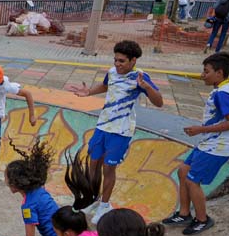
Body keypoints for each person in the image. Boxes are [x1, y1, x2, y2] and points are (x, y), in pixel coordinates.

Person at [70, 40, 164, 223]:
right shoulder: (112, 72)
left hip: (120, 131)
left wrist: (146, 87)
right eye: (116, 60)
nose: (117, 64)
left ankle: (105, 205)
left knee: (108, 168)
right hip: (102, 126)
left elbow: (159, 102)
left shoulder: (140, 78)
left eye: (122, 61)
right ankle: (94, 198)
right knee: (93, 163)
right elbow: (106, 86)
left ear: (133, 61)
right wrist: (88, 92)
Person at [162, 52, 229, 236]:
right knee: (183, 171)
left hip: (218, 147)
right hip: (208, 143)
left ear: (219, 73)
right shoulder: (221, 89)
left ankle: (202, 219)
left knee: (192, 180)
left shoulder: (223, 93)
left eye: (206, 71)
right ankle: (184, 213)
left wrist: (200, 129)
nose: (202, 75)